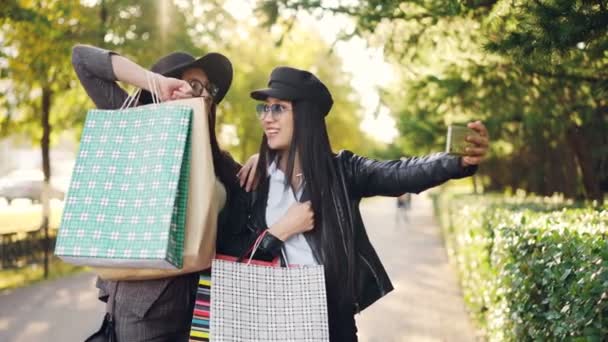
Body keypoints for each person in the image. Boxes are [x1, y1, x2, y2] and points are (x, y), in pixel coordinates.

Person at [71, 45, 311, 341]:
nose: (203, 93)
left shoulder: (223, 165)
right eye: (192, 84)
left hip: (205, 308)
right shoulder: (140, 127)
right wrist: (154, 82)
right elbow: (82, 59)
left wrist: (266, 159)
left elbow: (244, 237)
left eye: (208, 88)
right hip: (145, 309)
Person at [241, 66, 490, 341]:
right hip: (271, 322)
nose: (267, 118)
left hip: (332, 324)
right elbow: (238, 261)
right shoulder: (254, 181)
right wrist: (280, 231)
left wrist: (456, 162)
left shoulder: (343, 172)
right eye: (265, 109)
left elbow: (399, 173)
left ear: (305, 116)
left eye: (278, 108)